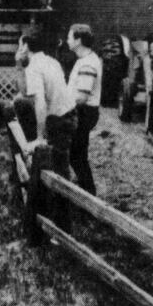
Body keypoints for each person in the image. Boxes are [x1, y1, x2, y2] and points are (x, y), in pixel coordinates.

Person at [15, 32, 77, 180]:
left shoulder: (34, 67)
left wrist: (40, 137)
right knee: (60, 163)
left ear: (25, 46)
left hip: (59, 120)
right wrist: (19, 65)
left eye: (19, 45)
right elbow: (24, 92)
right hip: (69, 115)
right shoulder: (51, 61)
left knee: (56, 169)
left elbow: (40, 102)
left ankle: (64, 198)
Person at [66, 24, 103, 195]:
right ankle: (85, 191)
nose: (67, 40)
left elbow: (81, 97)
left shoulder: (88, 63)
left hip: (83, 113)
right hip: (82, 111)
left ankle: (89, 194)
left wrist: (62, 106)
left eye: (69, 37)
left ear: (78, 40)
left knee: (77, 155)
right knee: (76, 154)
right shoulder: (84, 60)